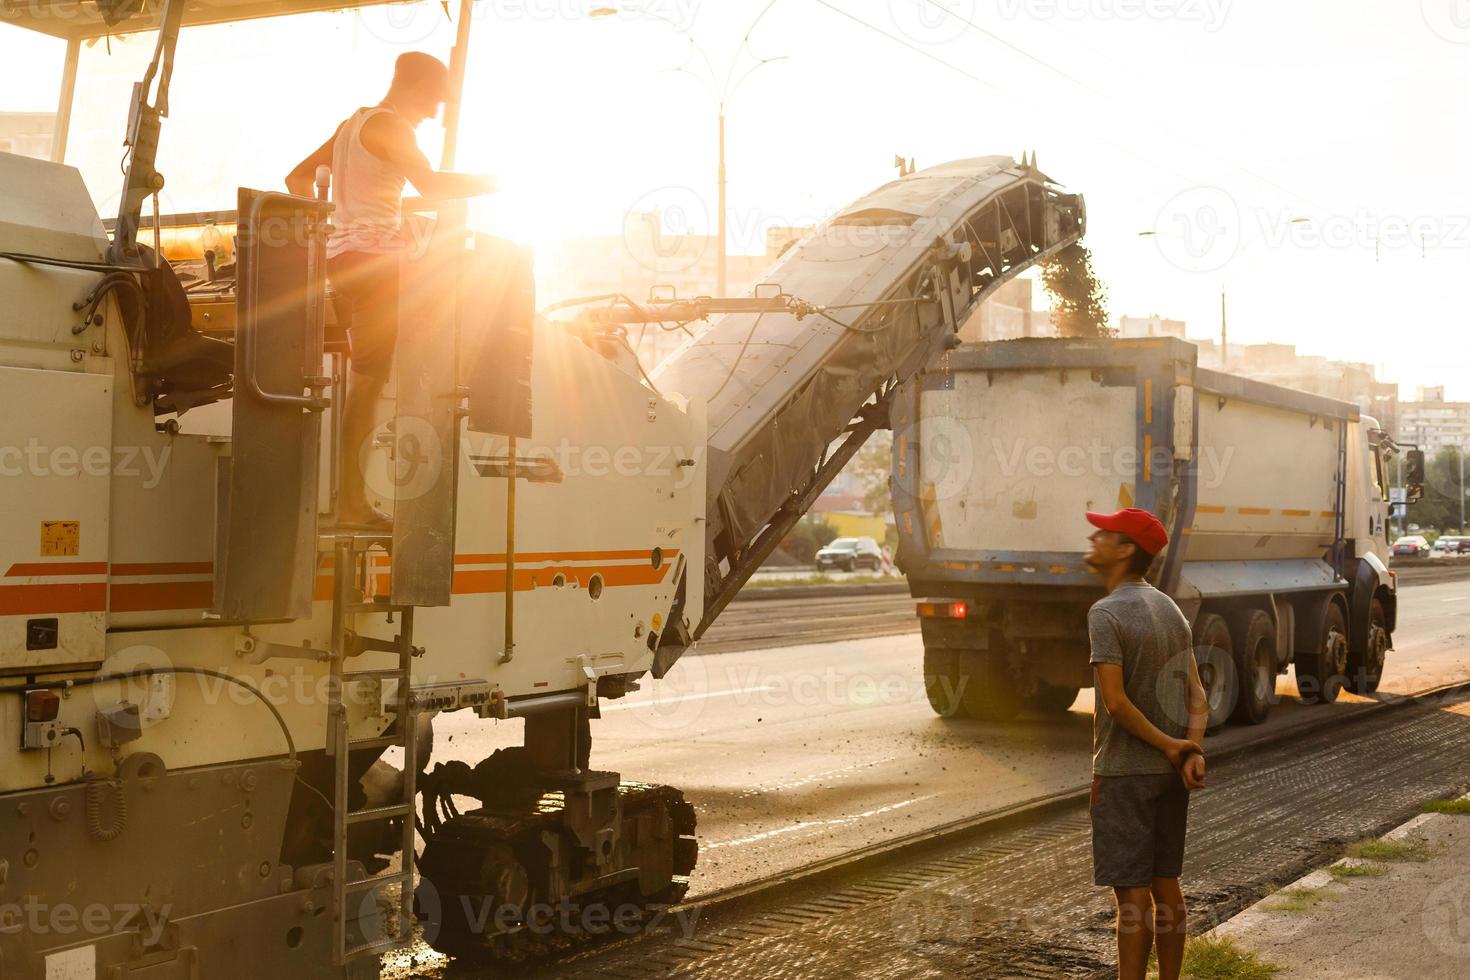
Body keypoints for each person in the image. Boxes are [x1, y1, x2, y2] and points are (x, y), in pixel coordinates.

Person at [286, 52, 497, 530]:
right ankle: (352, 506)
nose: (436, 113)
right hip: (376, 266)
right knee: (368, 383)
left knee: (368, 377)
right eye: (436, 101)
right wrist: (496, 183)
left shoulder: (351, 125)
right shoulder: (394, 128)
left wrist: (324, 228)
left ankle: (355, 498)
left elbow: (297, 177)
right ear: (416, 88)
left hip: (343, 261)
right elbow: (433, 184)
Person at [1082, 508, 1209, 980]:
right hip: (1167, 776)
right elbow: (1198, 695)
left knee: (1131, 894)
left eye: (1104, 534)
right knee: (1166, 885)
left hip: (1123, 773)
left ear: (1126, 549)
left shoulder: (1106, 612)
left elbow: (1115, 703)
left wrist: (1174, 747)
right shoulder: (1170, 608)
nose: (1094, 539)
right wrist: (1188, 750)